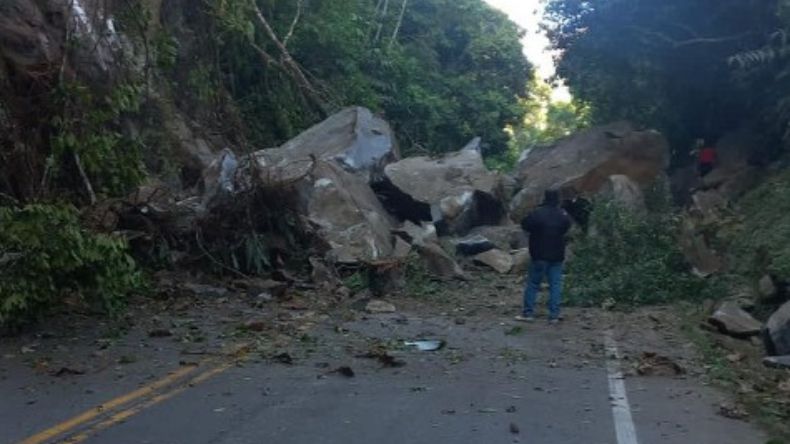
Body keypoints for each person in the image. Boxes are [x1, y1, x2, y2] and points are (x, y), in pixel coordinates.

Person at [516, 189, 572, 324]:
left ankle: (528, 313)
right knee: (555, 285)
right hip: (557, 255)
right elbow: (567, 227)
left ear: (544, 198)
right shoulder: (562, 214)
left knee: (533, 284)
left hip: (539, 254)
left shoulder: (538, 213)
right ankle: (554, 315)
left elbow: (525, 224)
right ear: (557, 199)